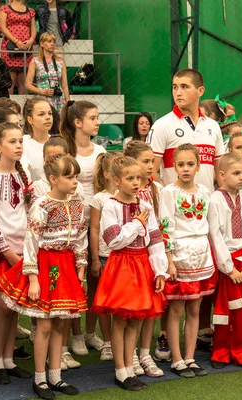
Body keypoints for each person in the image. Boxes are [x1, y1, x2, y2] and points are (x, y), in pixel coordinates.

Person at [0, 153, 87, 399]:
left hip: (66, 265)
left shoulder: (77, 203)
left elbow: (80, 237)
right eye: (69, 176)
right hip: (46, 265)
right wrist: (33, 278)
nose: (74, 181)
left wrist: (81, 265)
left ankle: (56, 376)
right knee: (45, 325)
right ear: (53, 179)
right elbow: (31, 242)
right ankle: (40, 379)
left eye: (76, 176)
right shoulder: (42, 205)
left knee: (61, 324)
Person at [91, 155, 168, 390]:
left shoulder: (145, 207)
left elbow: (155, 240)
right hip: (121, 266)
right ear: (116, 180)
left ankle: (129, 368)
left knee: (135, 319)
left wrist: (159, 271)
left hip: (141, 264)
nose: (136, 182)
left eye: (139, 178)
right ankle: (120, 370)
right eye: (130, 178)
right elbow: (113, 240)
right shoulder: (110, 206)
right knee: (121, 321)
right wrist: (136, 225)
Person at [0, 122, 32, 385]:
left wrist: (26, 250)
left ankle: (9, 360)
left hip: (23, 250)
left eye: (20, 141)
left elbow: (27, 212)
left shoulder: (24, 173)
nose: (18, 146)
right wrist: (7, 251)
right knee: (2, 307)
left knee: (14, 309)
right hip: (0, 253)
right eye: (12, 141)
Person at [159, 143, 217, 378]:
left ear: (198, 166)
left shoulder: (205, 191)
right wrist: (169, 261)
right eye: (181, 164)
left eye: (190, 164)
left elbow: (212, 225)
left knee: (195, 308)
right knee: (176, 309)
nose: (185, 169)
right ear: (173, 166)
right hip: (180, 254)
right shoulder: (168, 192)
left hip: (201, 253)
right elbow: (165, 227)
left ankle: (190, 357)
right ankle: (176, 358)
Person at [60, 100, 104, 355]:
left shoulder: (99, 150)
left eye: (97, 118)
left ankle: (89, 332)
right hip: (70, 225)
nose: (98, 122)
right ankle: (75, 335)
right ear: (78, 122)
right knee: (74, 283)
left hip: (94, 222)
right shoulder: (66, 150)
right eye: (93, 118)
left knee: (94, 279)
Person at [208, 152, 242, 371]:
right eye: (235, 173)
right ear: (222, 175)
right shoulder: (214, 200)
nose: (241, 178)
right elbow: (215, 235)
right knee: (224, 310)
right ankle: (221, 351)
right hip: (227, 263)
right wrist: (228, 269)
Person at [123, 141, 165, 377]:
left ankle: (146, 353)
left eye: (152, 161)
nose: (151, 166)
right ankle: (130, 357)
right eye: (145, 161)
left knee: (152, 308)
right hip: (131, 257)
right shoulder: (126, 192)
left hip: (153, 254)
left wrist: (162, 258)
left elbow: (162, 223)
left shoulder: (156, 188)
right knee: (133, 311)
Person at [147, 69, 224, 190]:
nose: (178, 92)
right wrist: (167, 196)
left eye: (184, 87)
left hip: (207, 204)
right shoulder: (161, 125)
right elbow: (149, 172)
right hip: (174, 206)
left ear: (200, 91)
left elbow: (221, 172)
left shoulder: (213, 126)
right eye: (175, 87)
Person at [88, 152, 120, 362]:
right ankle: (108, 342)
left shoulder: (128, 196)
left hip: (124, 257)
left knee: (120, 301)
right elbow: (94, 229)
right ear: (107, 174)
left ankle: (121, 342)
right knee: (104, 302)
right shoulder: (99, 198)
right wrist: (93, 259)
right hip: (104, 256)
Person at [0, 0, 36, 95]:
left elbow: (33, 27)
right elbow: (2, 27)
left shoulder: (30, 10)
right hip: (10, 47)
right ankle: (8, 106)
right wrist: (16, 41)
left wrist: (31, 40)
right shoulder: (5, 9)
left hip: (26, 47)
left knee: (24, 82)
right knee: (10, 81)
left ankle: (23, 106)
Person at [26, 33, 69, 113]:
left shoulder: (60, 61)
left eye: (53, 41)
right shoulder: (35, 61)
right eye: (49, 41)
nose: (52, 44)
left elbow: (65, 85)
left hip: (59, 99)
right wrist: (43, 91)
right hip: (43, 98)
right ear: (42, 44)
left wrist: (67, 103)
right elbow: (28, 85)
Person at [22, 97, 53, 181]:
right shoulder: (22, 143)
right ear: (30, 119)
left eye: (50, 113)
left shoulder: (57, 141)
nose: (48, 117)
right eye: (41, 114)